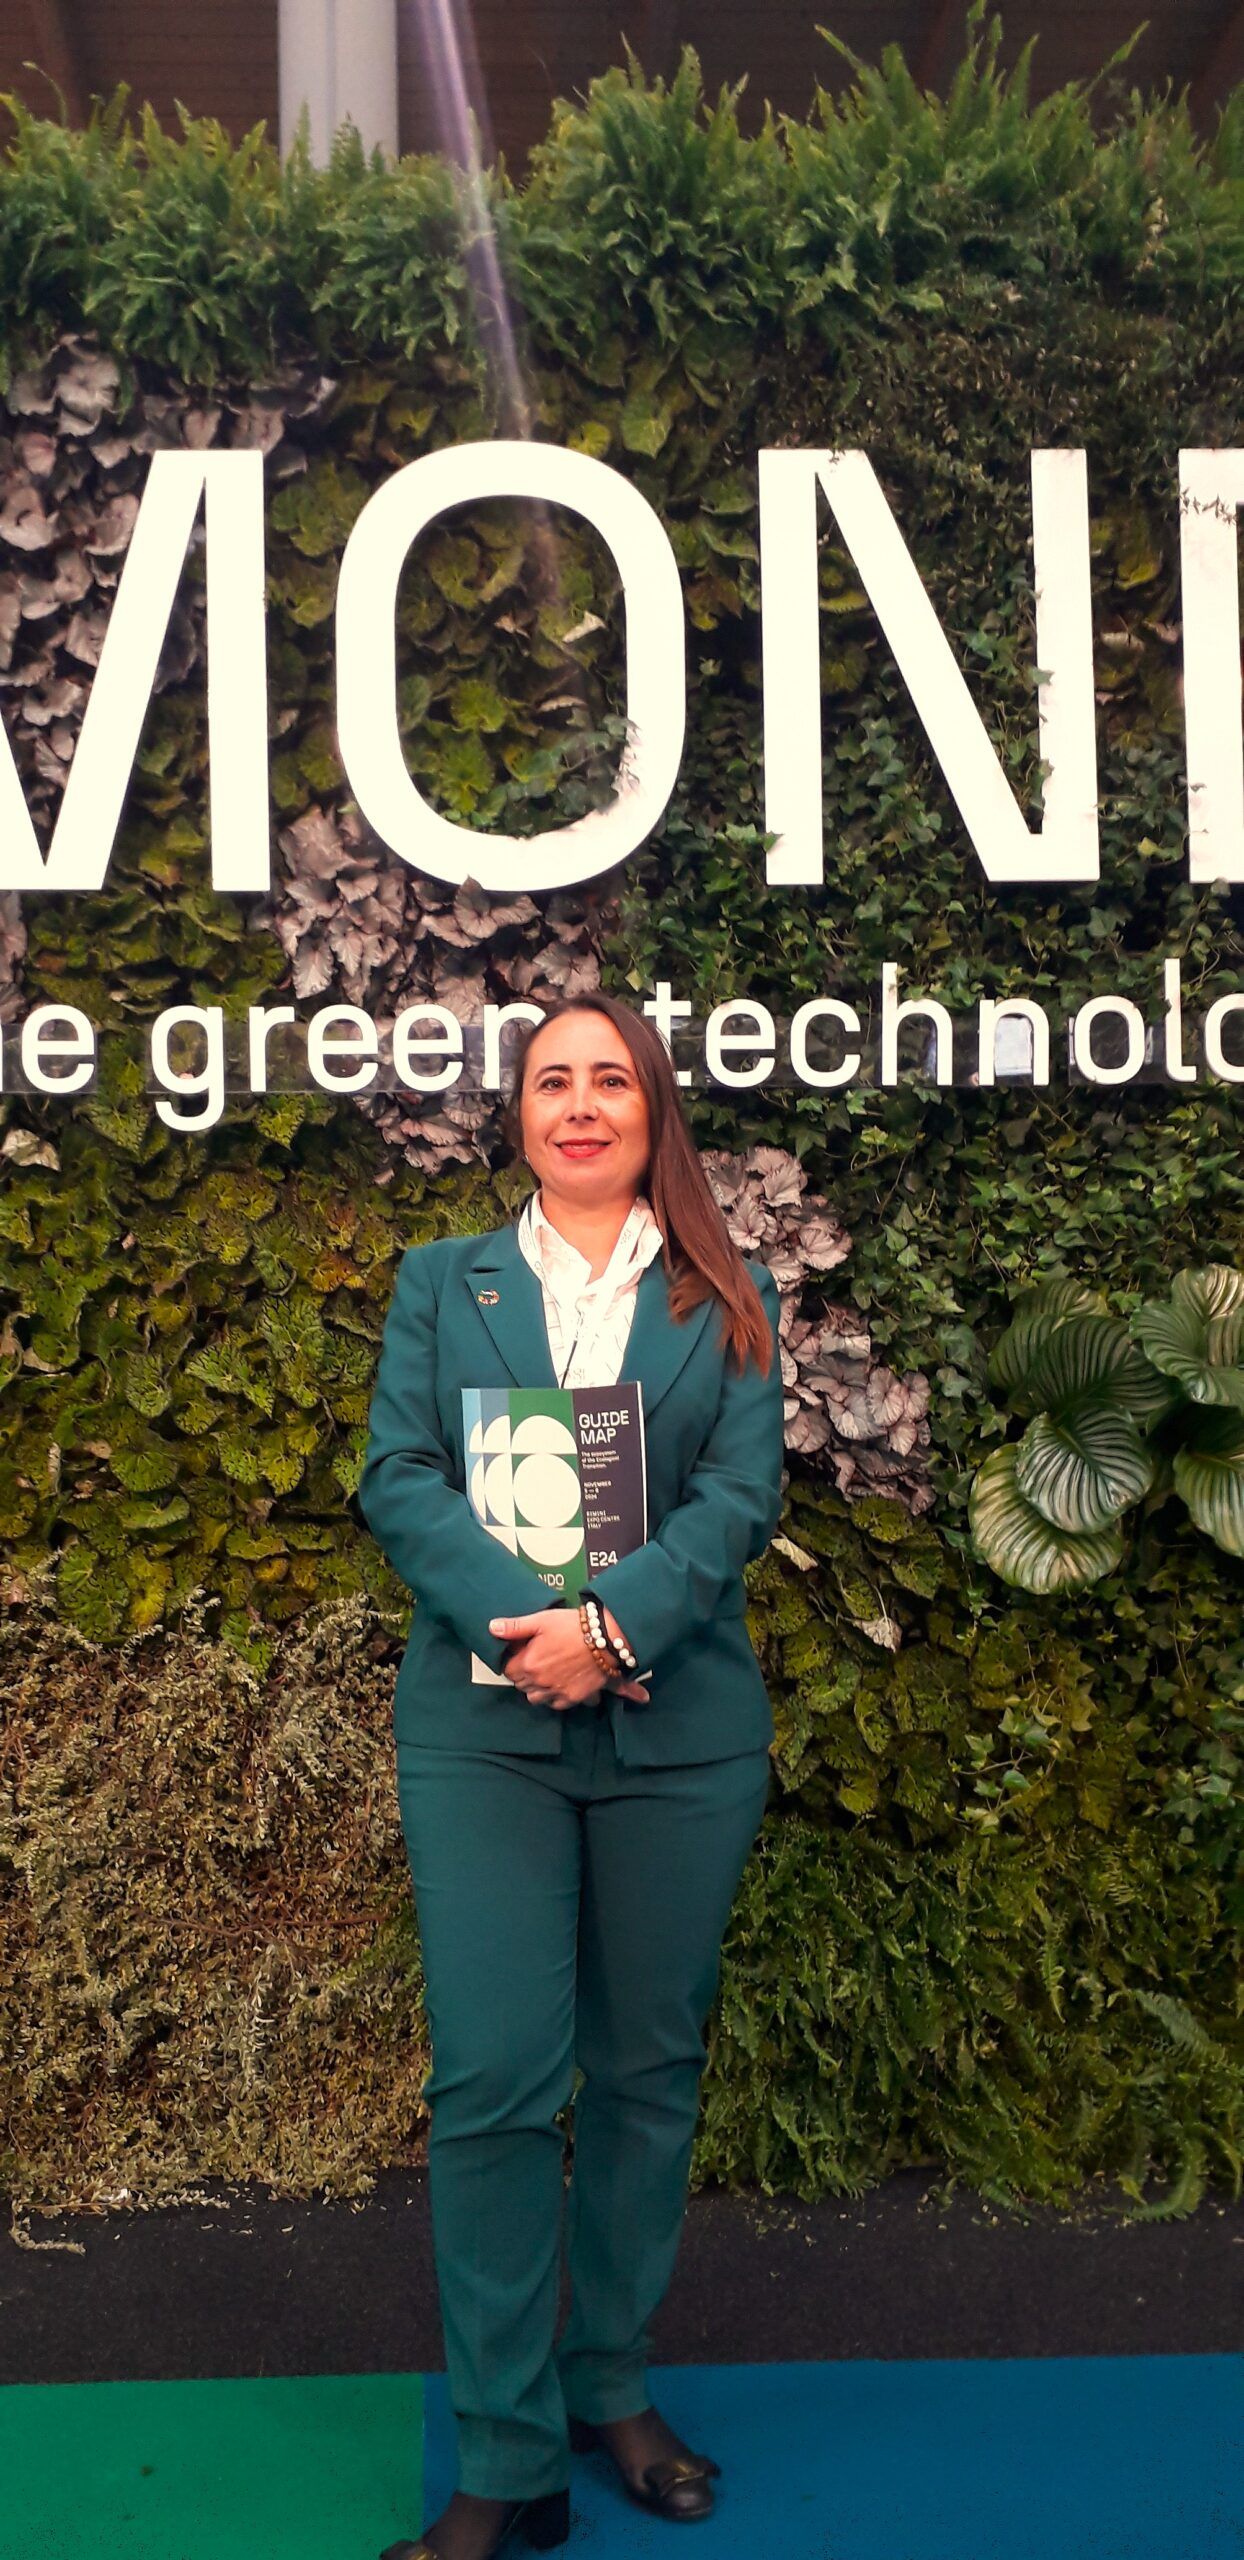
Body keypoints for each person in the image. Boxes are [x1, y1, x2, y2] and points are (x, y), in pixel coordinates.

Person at [358, 991, 786, 2560]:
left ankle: (611, 2382)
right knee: (491, 2082)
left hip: (680, 1739)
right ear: (520, 1115)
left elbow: (742, 1495)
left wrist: (610, 1629)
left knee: (646, 2074)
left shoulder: (725, 1291)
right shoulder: (442, 1282)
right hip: (487, 1738)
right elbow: (398, 1476)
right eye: (555, 1081)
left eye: (612, 1079)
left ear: (654, 1110)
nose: (583, 1104)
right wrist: (533, 1633)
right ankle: (505, 2449)